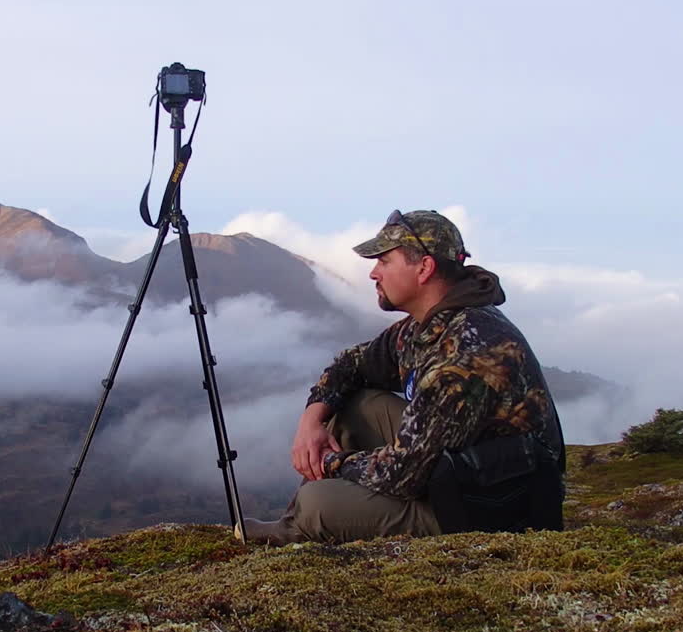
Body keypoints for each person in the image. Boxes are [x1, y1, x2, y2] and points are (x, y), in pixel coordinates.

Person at [237, 209, 566, 545]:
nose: (373, 273)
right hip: (452, 470)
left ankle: (300, 526)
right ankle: (295, 522)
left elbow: (400, 473)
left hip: (489, 507)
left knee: (317, 504)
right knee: (358, 407)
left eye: (384, 261)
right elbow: (351, 364)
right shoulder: (430, 325)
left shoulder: (467, 356)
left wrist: (331, 462)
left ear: (424, 268)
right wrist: (312, 421)